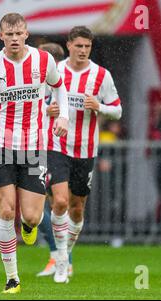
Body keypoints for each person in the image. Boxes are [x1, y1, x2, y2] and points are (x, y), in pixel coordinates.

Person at [0, 13, 69, 293]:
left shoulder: (43, 60)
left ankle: (29, 226)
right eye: (8, 34)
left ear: (26, 34)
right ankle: (12, 278)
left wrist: (62, 117)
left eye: (19, 34)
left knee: (31, 217)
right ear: (1, 36)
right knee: (5, 210)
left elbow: (59, 88)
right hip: (1, 145)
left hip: (35, 147)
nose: (14, 39)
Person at [45, 26, 122, 284]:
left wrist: (99, 106)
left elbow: (118, 110)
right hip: (58, 145)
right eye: (78, 46)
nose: (82, 51)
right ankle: (60, 261)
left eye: (87, 47)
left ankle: (65, 255)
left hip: (86, 149)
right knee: (60, 202)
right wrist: (49, 109)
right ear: (68, 45)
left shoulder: (102, 75)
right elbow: (40, 101)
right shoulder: (56, 72)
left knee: (77, 209)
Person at [36, 42, 73, 278]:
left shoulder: (63, 83)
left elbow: (72, 109)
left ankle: (63, 259)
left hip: (55, 149)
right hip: (29, 147)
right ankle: (58, 256)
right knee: (34, 209)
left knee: (59, 203)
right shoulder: (32, 82)